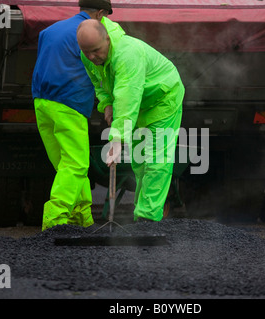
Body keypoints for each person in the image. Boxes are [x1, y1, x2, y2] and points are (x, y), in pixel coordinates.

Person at [77, 19, 185, 222]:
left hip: (162, 99)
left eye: (96, 51)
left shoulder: (127, 54)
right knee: (140, 162)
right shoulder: (89, 55)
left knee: (156, 160)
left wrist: (117, 139)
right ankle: (142, 211)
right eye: (86, 51)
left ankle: (148, 218)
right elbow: (99, 83)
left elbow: (127, 97)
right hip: (139, 104)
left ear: (107, 39)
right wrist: (107, 104)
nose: (91, 57)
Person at [32, 0, 113, 231]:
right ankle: (55, 219)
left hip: (42, 103)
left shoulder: (49, 31)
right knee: (76, 164)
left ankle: (81, 216)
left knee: (66, 165)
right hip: (70, 104)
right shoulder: (88, 35)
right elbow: (100, 69)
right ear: (99, 14)